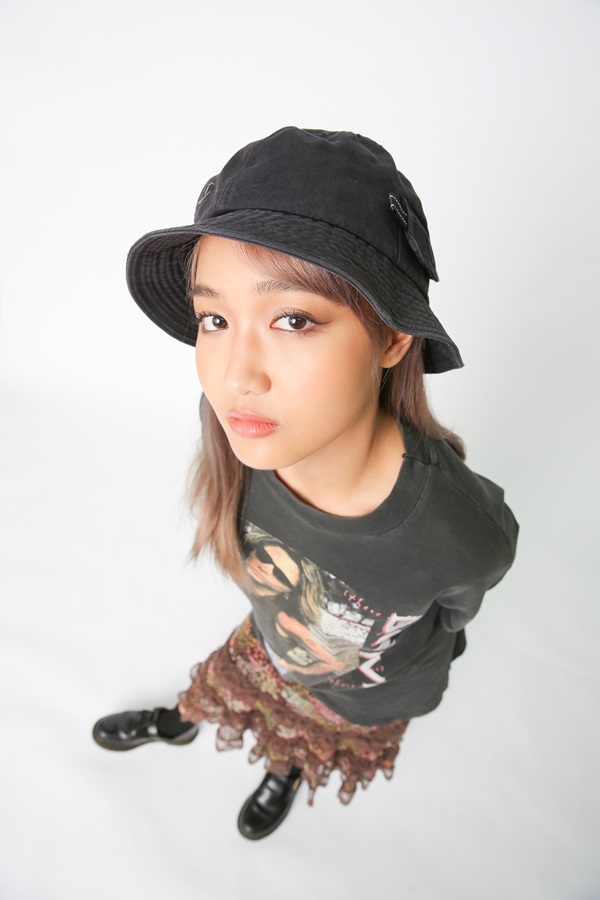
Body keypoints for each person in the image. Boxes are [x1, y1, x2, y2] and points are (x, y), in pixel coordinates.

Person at [92, 127, 518, 840]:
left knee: (303, 739)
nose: (236, 375)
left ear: (392, 338)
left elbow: (461, 602)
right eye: (214, 318)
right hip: (270, 645)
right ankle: (182, 719)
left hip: (361, 699)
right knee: (228, 685)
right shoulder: (245, 434)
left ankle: (285, 769)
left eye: (293, 319)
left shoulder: (455, 526)